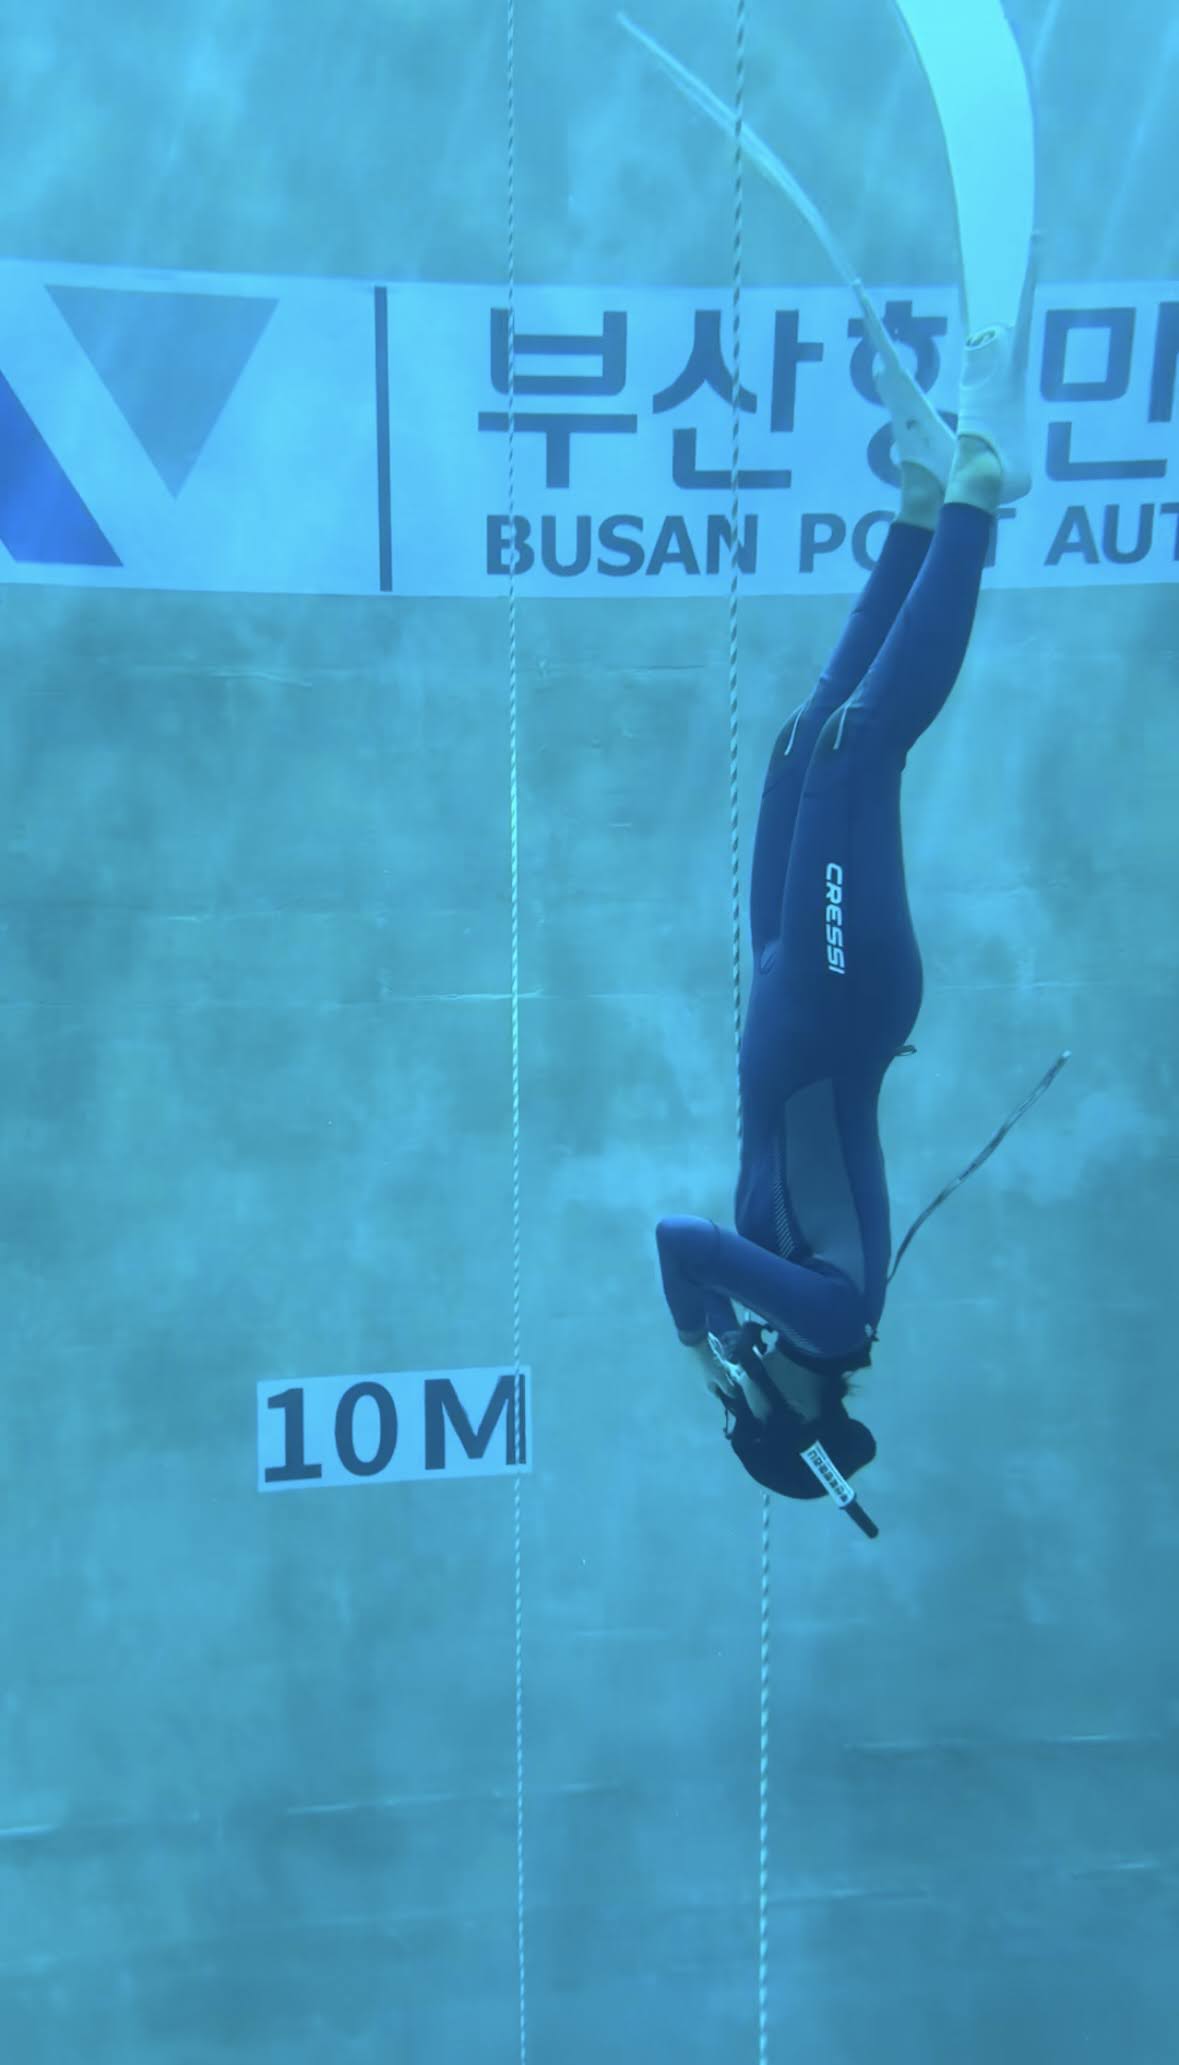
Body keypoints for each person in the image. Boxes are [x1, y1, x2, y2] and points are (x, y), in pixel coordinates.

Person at [655, 237, 1040, 1523]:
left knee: (801, 746)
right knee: (859, 746)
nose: (741, 1387)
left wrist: (727, 1347)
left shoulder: (790, 1317)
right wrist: (704, 1350)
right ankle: (979, 490)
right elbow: (682, 1246)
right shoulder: (831, 1314)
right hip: (844, 991)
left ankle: (919, 508)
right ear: (792, 1410)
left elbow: (704, 1250)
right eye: (751, 1405)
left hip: (792, 979)